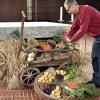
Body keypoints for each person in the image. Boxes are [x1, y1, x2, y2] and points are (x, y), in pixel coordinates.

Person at [57, 0, 100, 87]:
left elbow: (82, 31)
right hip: (98, 36)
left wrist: (70, 40)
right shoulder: (79, 14)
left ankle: (97, 80)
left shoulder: (85, 11)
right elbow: (73, 28)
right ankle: (97, 81)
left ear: (72, 6)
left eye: (67, 10)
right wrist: (63, 41)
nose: (68, 12)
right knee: (95, 56)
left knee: (96, 56)